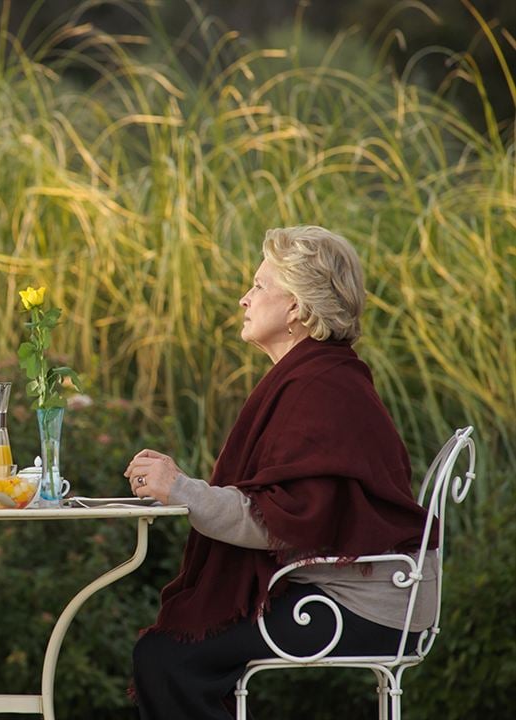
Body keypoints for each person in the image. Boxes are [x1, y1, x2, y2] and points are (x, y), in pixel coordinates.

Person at [124, 225, 436, 719]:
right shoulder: (319, 376)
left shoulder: (322, 389)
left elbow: (284, 520)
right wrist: (183, 487)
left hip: (361, 608)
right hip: (361, 591)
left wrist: (181, 489)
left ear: (295, 306)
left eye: (259, 286)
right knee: (169, 655)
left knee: (167, 657)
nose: (245, 299)